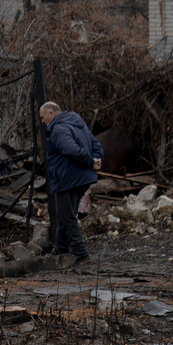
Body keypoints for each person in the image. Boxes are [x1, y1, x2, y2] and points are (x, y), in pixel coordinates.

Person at [41, 101, 103, 263]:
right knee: (65, 215)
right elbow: (95, 143)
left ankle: (82, 254)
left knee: (67, 217)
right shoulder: (77, 122)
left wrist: (90, 161)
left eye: (43, 117)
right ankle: (61, 252)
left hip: (67, 179)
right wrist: (96, 159)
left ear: (51, 113)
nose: (42, 121)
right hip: (82, 179)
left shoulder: (58, 129)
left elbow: (71, 150)